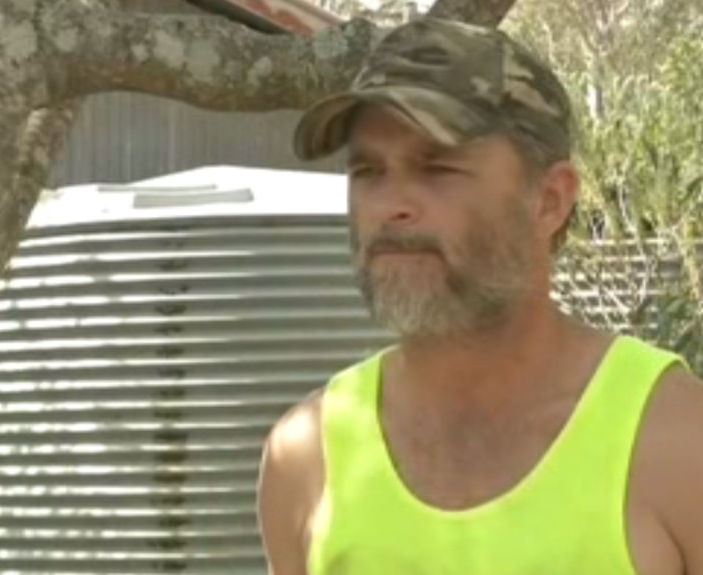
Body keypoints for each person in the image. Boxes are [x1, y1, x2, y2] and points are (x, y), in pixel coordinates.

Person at [256, 15, 703, 575]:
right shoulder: (307, 458)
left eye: (438, 168)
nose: (391, 205)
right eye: (368, 171)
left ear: (549, 200)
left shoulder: (677, 443)